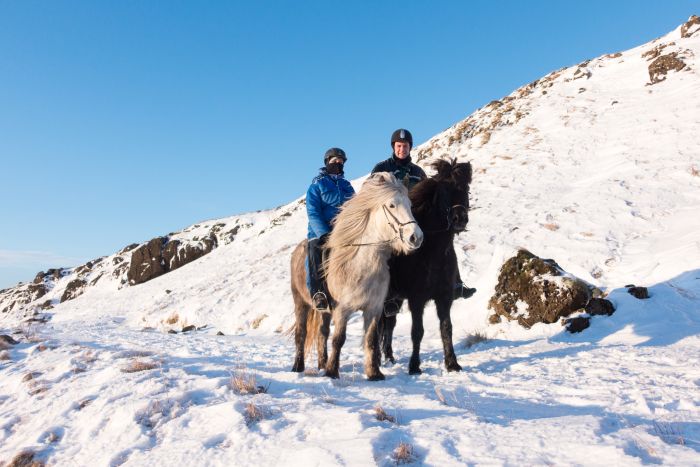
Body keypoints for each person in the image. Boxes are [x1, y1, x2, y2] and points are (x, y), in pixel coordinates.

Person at [371, 129, 476, 313]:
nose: (402, 149)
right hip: (391, 219)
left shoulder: (417, 171)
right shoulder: (382, 168)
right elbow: (369, 192)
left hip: (414, 218)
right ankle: (389, 295)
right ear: (393, 147)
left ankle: (455, 284)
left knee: (443, 239)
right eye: (399, 146)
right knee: (387, 252)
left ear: (410, 147)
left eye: (405, 146)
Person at [306, 147, 355, 311]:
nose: (338, 164)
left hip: (343, 232)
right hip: (321, 232)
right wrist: (324, 234)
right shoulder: (317, 185)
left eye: (341, 162)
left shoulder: (347, 185)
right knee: (314, 250)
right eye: (335, 162)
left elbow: (355, 207)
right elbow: (313, 211)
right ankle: (318, 293)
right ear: (327, 162)